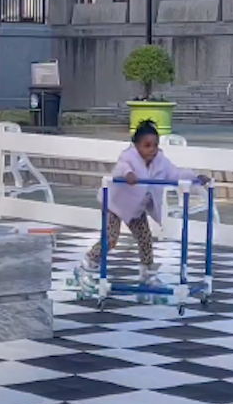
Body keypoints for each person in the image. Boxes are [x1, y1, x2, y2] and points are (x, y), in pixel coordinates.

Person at [74, 120, 209, 288]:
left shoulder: (160, 161)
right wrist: (129, 174)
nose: (152, 150)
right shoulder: (129, 157)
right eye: (147, 145)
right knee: (110, 239)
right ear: (136, 145)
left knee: (145, 238)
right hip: (115, 204)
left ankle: (147, 274)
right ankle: (87, 265)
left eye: (155, 145)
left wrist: (195, 177)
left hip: (136, 208)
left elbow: (176, 173)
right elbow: (122, 167)